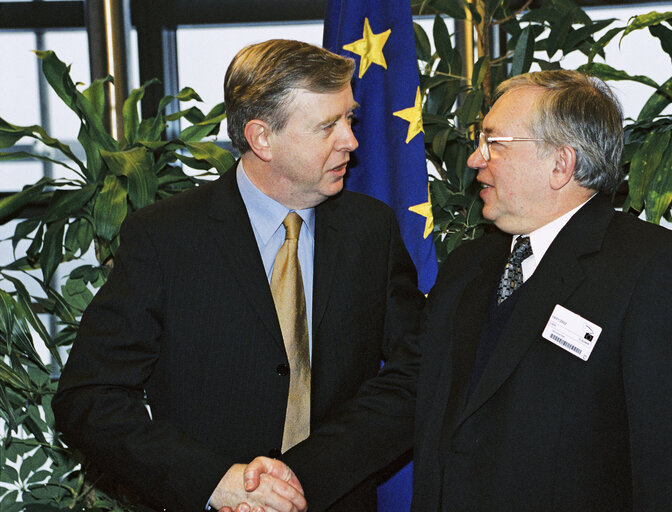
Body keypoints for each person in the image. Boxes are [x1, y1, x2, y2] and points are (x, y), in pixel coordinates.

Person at [243, 69, 672, 511]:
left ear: (561, 164)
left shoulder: (655, 270)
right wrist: (296, 476)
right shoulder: (470, 267)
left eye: (494, 142)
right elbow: (408, 394)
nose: (475, 157)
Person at [52, 39, 424, 512]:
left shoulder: (371, 229)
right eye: (328, 125)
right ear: (261, 138)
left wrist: (303, 479)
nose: (351, 139)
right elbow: (89, 398)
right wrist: (214, 482)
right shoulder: (166, 237)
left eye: (349, 118)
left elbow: (416, 374)